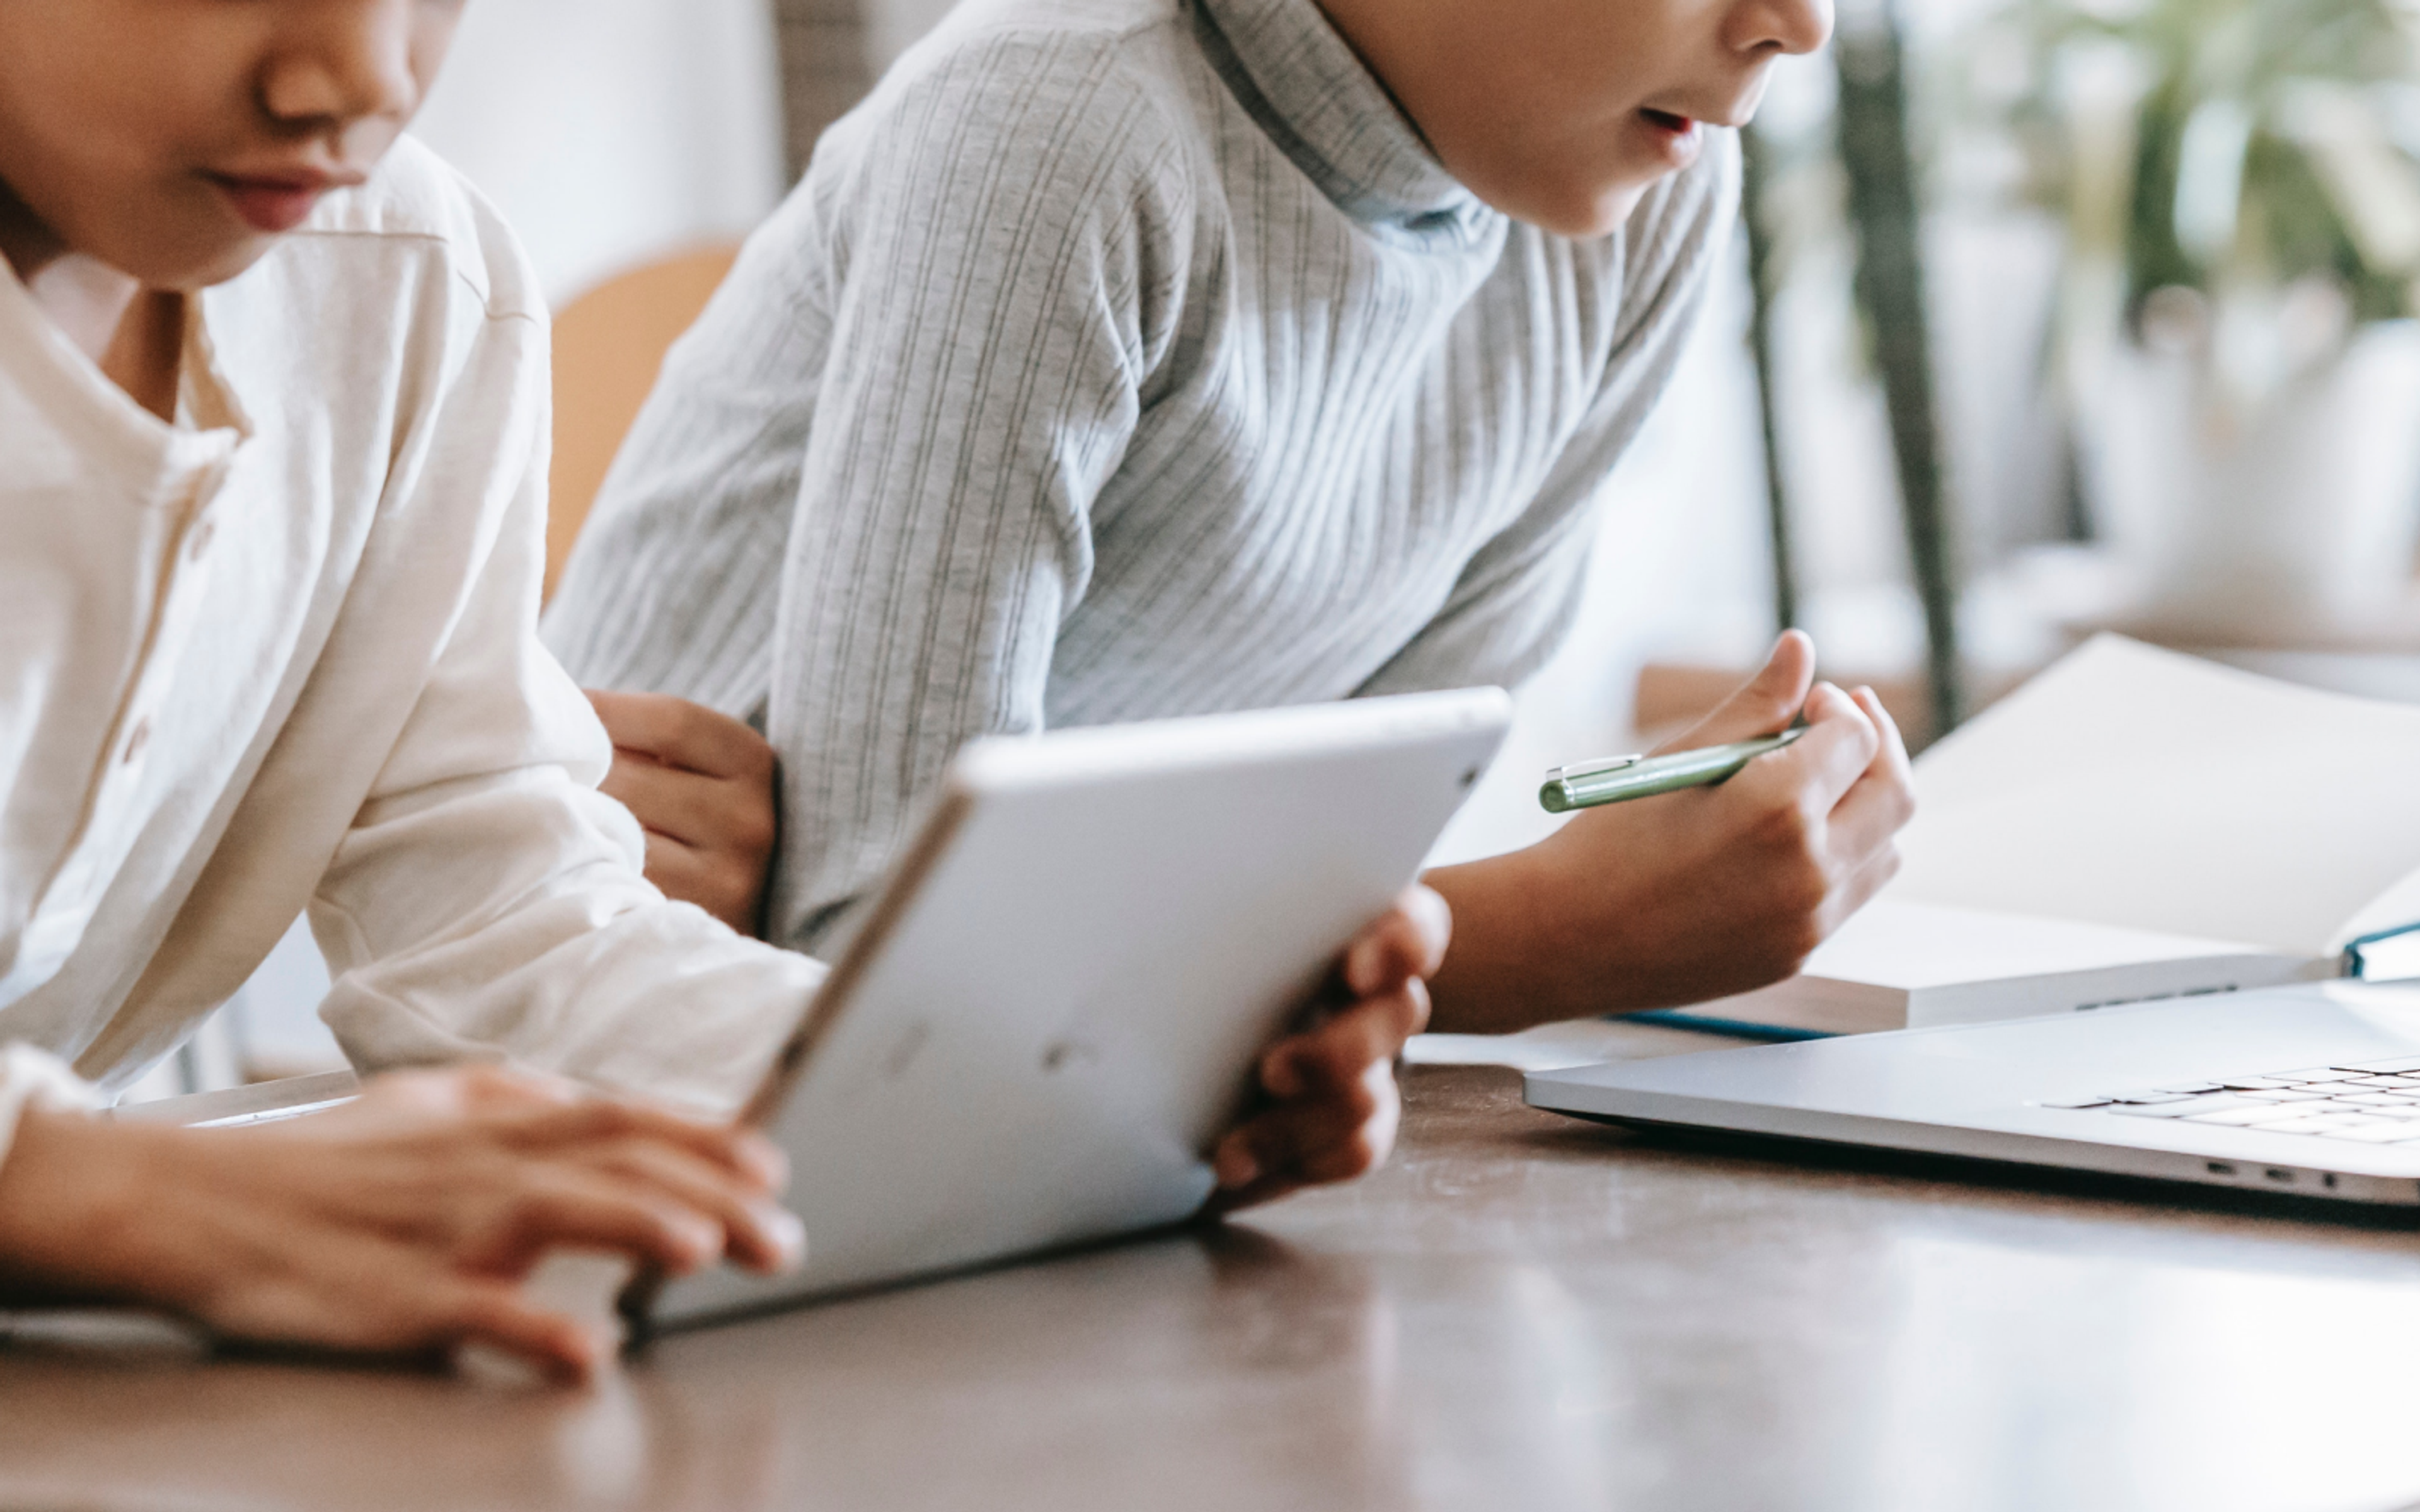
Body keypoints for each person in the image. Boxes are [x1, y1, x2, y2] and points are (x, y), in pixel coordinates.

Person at [0, 0, 1446, 1380]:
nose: (361, 77)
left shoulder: (414, 279)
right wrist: (104, 1195)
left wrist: (1056, 1094)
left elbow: (500, 923)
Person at [546, 0, 1916, 1033]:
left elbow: (1331, 856)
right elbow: (878, 978)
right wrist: (1536, 937)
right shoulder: (1056, 125)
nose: (1799, 24)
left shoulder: (1636, 198)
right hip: (628, 1088)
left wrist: (1391, 924)